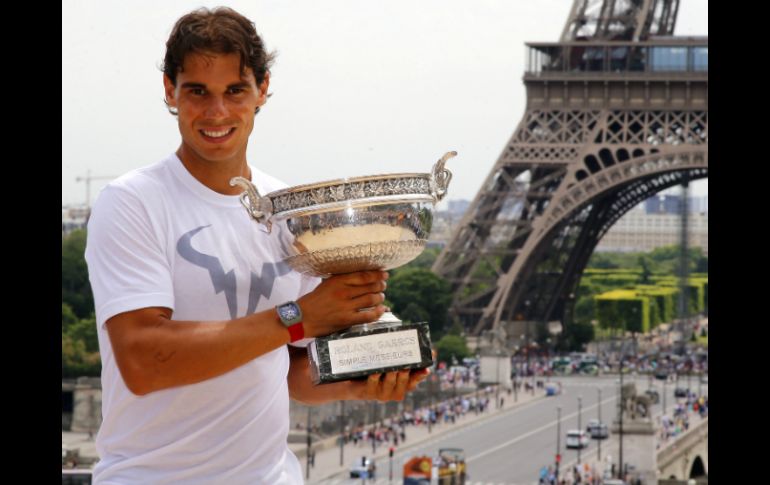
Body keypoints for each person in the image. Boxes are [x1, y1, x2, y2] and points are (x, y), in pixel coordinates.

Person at [84, 7, 428, 484]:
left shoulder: (287, 210)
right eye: (198, 91)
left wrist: (359, 379)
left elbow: (287, 369)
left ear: (263, 89)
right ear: (169, 90)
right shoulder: (132, 202)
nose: (217, 112)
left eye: (235, 90)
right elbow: (144, 362)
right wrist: (299, 317)